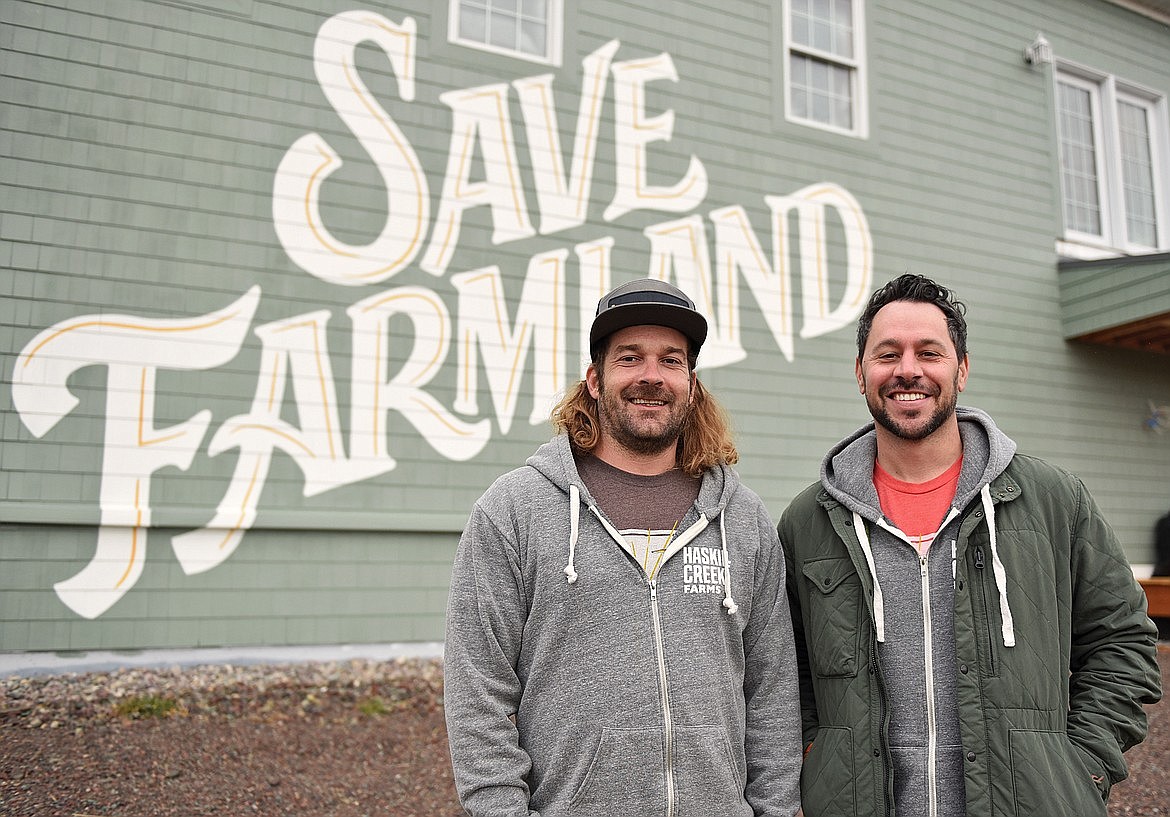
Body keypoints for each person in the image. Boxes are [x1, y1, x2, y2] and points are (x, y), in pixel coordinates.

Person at [777, 273, 1162, 817]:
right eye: (887, 354)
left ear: (961, 368)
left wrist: (1076, 766)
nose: (907, 370)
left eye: (928, 352)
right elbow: (783, 671)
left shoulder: (1052, 501)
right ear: (860, 372)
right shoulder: (809, 521)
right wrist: (820, 759)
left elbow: (1122, 645)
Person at [444, 278, 803, 817]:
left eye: (671, 360)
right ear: (594, 379)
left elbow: (773, 692)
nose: (651, 376)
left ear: (691, 382)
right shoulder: (514, 511)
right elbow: (479, 692)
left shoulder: (743, 519)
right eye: (629, 358)